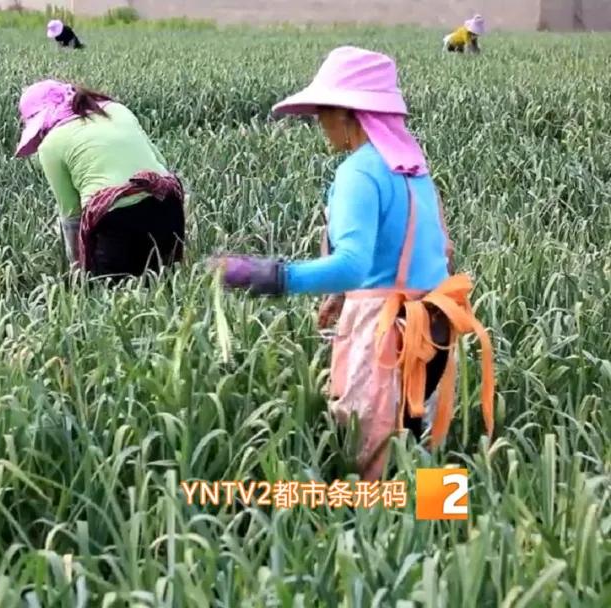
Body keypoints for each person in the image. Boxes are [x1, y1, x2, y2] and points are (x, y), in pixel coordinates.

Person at [209, 47, 495, 480]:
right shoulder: (413, 168)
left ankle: (370, 540)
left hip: (385, 334)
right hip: (434, 327)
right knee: (426, 445)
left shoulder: (358, 173)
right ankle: (449, 538)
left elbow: (351, 265)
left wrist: (269, 276)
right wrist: (343, 295)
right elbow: (441, 252)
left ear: (348, 113)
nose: (320, 123)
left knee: (372, 449)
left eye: (324, 112)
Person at [14, 79, 185, 281]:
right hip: (167, 207)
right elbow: (161, 164)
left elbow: (71, 216)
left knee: (114, 300)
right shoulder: (117, 110)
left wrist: (77, 266)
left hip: (116, 223)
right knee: (165, 286)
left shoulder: (51, 145)